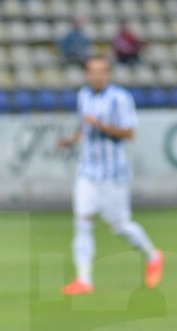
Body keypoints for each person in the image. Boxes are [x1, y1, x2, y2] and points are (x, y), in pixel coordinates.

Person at [58, 56, 164, 295]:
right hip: (87, 171)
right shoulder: (83, 96)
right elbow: (85, 128)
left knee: (120, 226)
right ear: (87, 74)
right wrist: (71, 140)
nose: (97, 76)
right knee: (82, 221)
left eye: (101, 72)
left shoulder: (120, 98)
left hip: (113, 174)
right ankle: (84, 280)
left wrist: (100, 126)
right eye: (92, 72)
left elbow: (128, 132)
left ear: (108, 74)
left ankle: (153, 255)